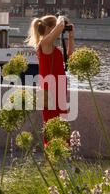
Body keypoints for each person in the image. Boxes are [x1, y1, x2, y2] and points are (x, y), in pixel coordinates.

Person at [25, 15, 75, 145]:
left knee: (62, 128)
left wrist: (70, 36)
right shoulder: (44, 44)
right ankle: (52, 159)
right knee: (52, 128)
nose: (60, 31)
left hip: (59, 90)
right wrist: (61, 19)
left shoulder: (53, 48)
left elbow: (70, 58)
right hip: (50, 91)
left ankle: (62, 159)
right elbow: (59, 27)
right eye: (56, 27)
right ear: (48, 28)